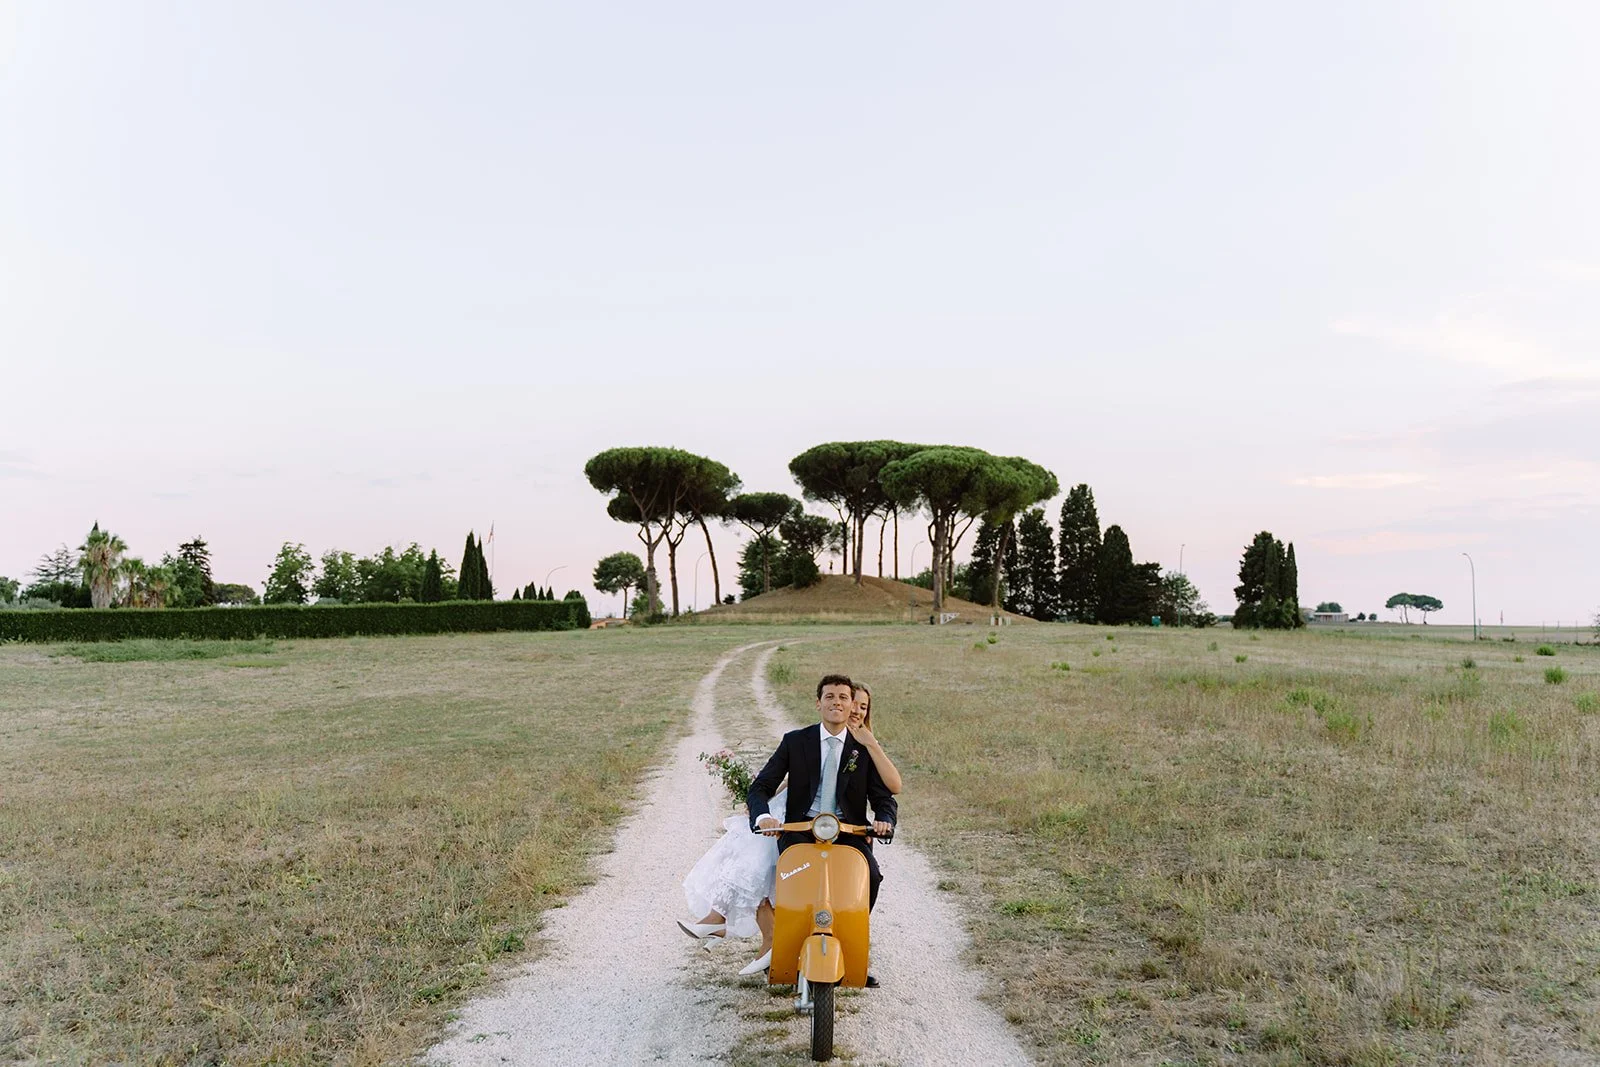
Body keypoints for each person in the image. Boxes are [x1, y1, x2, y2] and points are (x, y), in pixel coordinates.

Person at [746, 674, 898, 980]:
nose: (837, 703)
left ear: (851, 704)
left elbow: (885, 799)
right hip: (801, 829)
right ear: (818, 703)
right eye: (829, 697)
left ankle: (851, 946)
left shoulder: (862, 748)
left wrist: (885, 821)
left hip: (847, 832)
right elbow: (760, 787)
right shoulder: (795, 741)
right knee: (789, 880)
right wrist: (764, 819)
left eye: (843, 697)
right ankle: (784, 945)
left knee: (872, 876)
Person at [678, 781, 787, 976]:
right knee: (753, 862)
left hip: (810, 816)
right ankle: (721, 919)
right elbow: (789, 776)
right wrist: (763, 802)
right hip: (785, 808)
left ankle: (721, 921)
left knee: (757, 863)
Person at [847, 682, 902, 795]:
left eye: (863, 707)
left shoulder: (867, 745)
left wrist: (872, 743)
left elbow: (895, 787)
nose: (857, 711)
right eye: (853, 704)